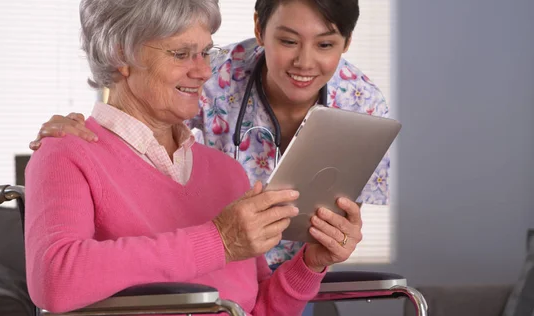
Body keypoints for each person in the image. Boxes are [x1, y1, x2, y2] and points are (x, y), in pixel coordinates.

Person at [25, 0, 363, 314]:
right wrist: (218, 241)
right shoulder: (67, 152)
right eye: (182, 54)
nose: (203, 71)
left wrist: (311, 264)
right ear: (120, 57)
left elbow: (257, 308)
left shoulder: (226, 173)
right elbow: (54, 279)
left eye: (205, 52)